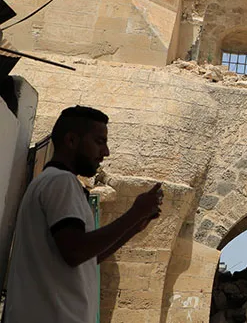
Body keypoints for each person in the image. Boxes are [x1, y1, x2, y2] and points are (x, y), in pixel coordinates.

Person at [3, 106, 163, 323]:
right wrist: (135, 213)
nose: (105, 152)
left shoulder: (51, 181)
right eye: (99, 142)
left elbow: (87, 258)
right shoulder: (61, 182)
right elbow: (75, 251)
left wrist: (134, 226)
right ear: (71, 141)